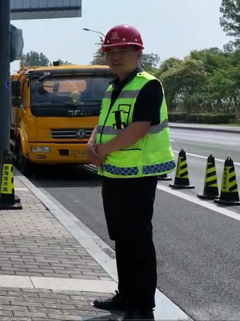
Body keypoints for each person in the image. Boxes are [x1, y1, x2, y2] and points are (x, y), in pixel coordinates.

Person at [87, 24, 174, 321]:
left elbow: (138, 129)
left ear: (138, 53)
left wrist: (102, 149)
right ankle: (125, 295)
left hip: (138, 173)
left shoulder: (148, 85)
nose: (115, 57)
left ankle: (142, 306)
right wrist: (91, 144)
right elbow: (103, 124)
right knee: (122, 238)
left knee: (137, 239)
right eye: (110, 52)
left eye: (123, 51)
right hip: (114, 172)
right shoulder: (114, 87)